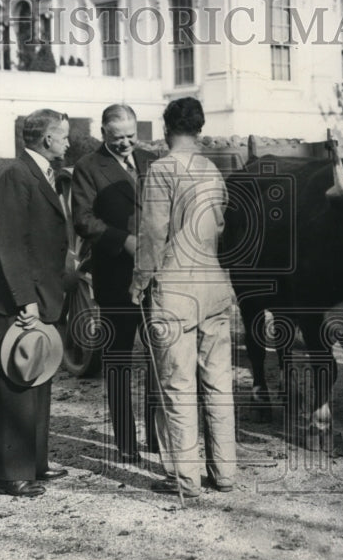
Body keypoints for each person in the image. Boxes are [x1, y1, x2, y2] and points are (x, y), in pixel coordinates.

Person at [130, 97, 236, 498]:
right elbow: (221, 224)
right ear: (200, 128)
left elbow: (154, 234)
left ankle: (185, 478)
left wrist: (139, 281)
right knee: (219, 383)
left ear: (165, 128)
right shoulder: (213, 169)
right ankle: (224, 474)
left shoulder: (161, 170)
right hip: (214, 285)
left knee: (177, 386)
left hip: (175, 288)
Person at [0, 109, 73, 497]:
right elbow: (11, 245)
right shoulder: (16, 177)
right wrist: (26, 300)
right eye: (64, 136)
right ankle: (11, 474)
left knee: (38, 377)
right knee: (18, 384)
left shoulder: (41, 175)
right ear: (47, 139)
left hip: (39, 296)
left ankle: (34, 463)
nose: (68, 143)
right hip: (19, 301)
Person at [71, 104, 159, 464]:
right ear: (103, 134)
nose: (125, 144)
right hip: (115, 278)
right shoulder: (88, 168)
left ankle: (157, 436)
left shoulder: (151, 161)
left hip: (155, 278)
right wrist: (124, 240)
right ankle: (126, 440)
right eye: (117, 138)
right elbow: (83, 219)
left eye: (131, 136)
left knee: (159, 359)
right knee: (119, 359)